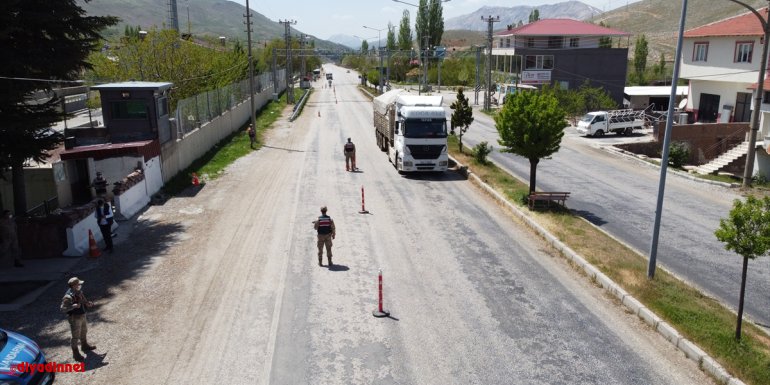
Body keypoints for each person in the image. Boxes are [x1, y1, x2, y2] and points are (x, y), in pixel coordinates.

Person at [60, 277, 96, 362]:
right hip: (74, 318)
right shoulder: (68, 296)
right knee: (75, 336)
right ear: (73, 285)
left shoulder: (78, 292)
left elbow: (82, 299)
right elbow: (62, 308)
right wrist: (73, 306)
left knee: (84, 331)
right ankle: (75, 353)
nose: (80, 285)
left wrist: (87, 303)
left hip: (82, 314)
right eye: (78, 284)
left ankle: (84, 345)